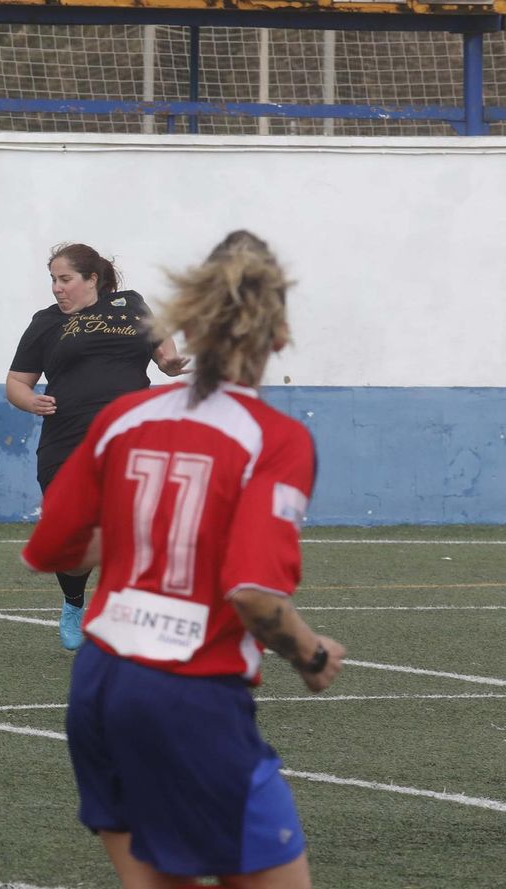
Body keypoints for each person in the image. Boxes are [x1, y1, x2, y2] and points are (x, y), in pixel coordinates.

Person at [22, 231, 346, 889]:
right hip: (191, 693)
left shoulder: (124, 417)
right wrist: (312, 655)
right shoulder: (275, 439)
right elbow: (254, 594)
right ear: (280, 334)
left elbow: (53, 549)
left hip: (99, 683)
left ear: (189, 325)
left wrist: (136, 531)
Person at [7, 243, 188, 651]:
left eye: (65, 279)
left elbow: (162, 348)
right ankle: (74, 602)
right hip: (66, 441)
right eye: (53, 280)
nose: (57, 288)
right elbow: (16, 382)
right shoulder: (46, 323)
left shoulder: (130, 305)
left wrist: (169, 362)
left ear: (92, 279)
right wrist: (29, 400)